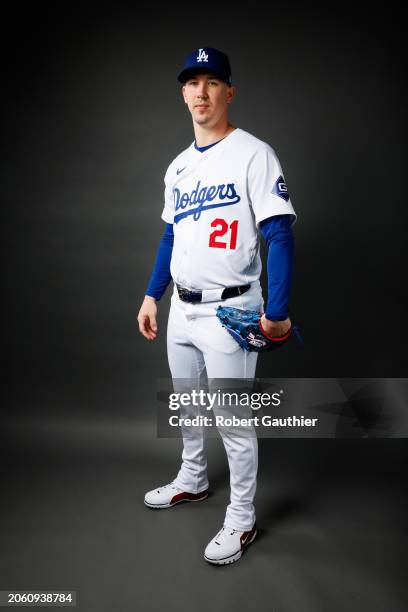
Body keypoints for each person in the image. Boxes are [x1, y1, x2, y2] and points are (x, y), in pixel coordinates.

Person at [137, 47, 297, 565]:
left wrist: (276, 309)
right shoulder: (178, 166)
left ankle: (243, 517)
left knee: (232, 416)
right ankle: (193, 478)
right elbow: (170, 235)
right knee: (186, 403)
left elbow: (279, 233)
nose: (201, 92)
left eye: (212, 82)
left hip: (233, 310)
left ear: (229, 91)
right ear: (183, 93)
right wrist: (150, 295)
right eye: (192, 83)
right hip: (182, 308)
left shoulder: (254, 152)